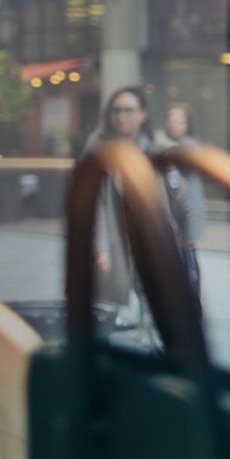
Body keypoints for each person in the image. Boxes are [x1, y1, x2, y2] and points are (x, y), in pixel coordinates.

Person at [82, 86, 175, 328]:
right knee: (117, 288)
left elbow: (178, 194)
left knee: (154, 283)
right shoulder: (99, 146)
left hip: (152, 227)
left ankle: (151, 328)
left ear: (143, 113)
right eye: (116, 111)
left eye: (128, 110)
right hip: (117, 230)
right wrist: (100, 247)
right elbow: (95, 203)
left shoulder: (158, 146)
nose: (121, 116)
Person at [161, 102, 206, 294]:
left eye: (178, 120)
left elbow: (179, 182)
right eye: (170, 119)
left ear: (187, 125)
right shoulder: (172, 145)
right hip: (178, 211)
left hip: (186, 212)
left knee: (187, 256)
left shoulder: (189, 147)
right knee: (185, 255)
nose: (173, 123)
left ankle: (193, 301)